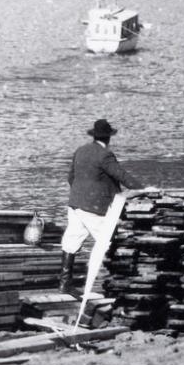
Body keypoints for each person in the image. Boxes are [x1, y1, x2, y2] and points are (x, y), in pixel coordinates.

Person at [60, 118, 139, 299]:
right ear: (109, 138)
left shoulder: (80, 150)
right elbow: (122, 176)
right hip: (93, 208)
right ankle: (117, 285)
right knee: (109, 242)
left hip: (75, 203)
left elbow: (71, 177)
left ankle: (64, 284)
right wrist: (144, 189)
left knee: (71, 241)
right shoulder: (105, 155)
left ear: (94, 136)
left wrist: (80, 195)